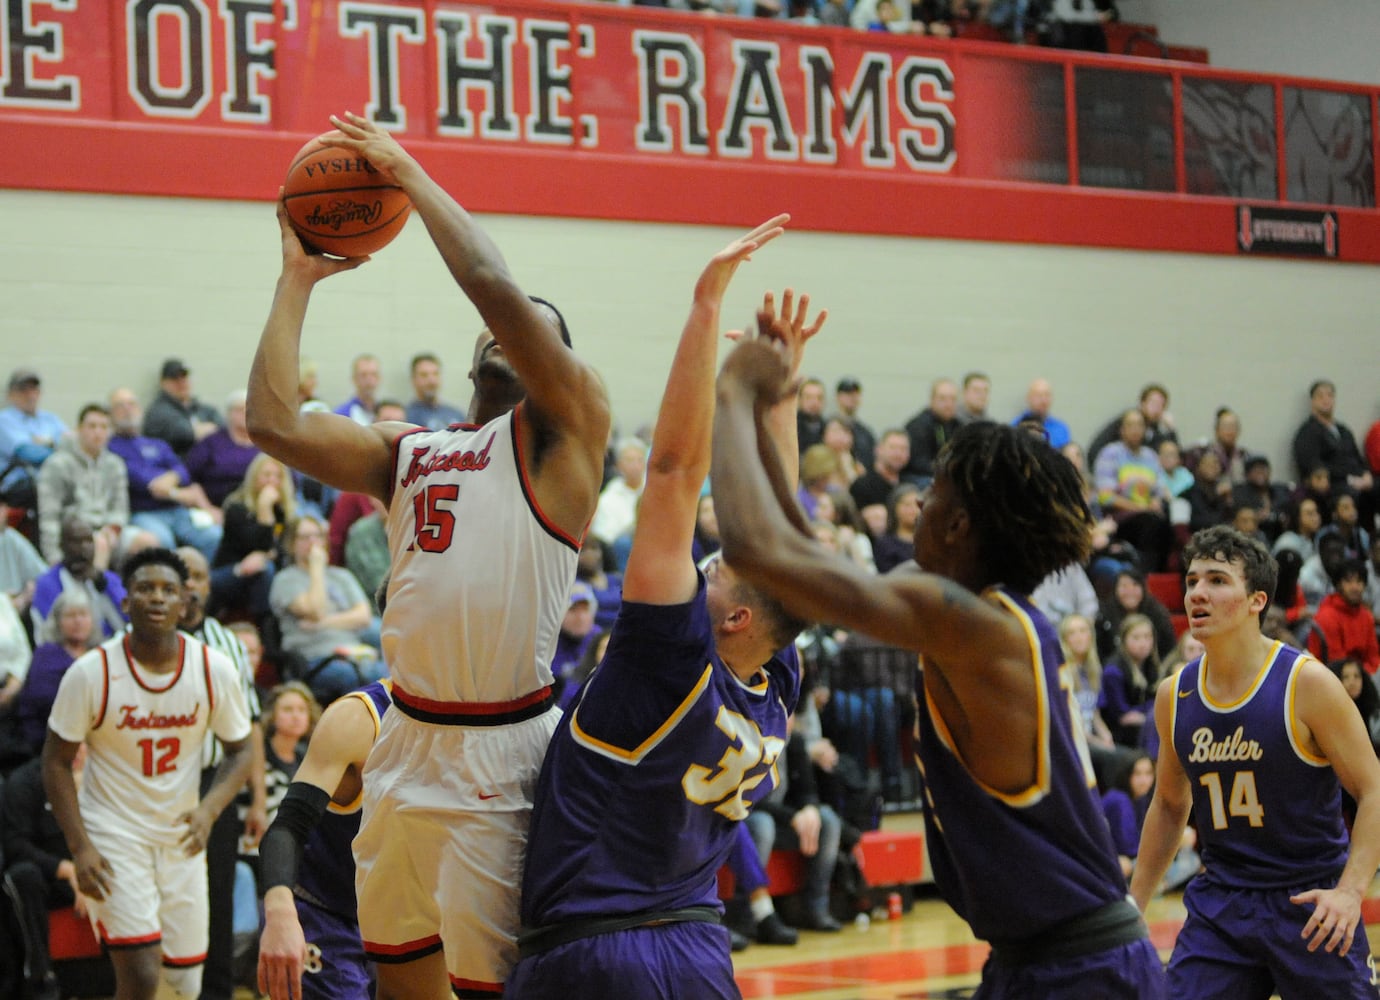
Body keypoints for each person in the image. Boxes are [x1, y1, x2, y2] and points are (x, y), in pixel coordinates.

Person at [247, 111, 610, 999]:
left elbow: (490, 284)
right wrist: (297, 279)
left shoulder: (570, 442)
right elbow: (273, 424)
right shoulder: (411, 450)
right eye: (500, 329)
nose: (507, 330)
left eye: (531, 326)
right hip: (405, 742)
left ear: (554, 361)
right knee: (401, 983)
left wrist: (405, 173)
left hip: (503, 753)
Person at [711, 332, 1164, 996]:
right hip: (1040, 960)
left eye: (930, 499)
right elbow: (797, 553)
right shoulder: (999, 621)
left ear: (958, 527)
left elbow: (759, 550)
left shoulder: (970, 623)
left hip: (1078, 969)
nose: (917, 509)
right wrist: (778, 404)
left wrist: (731, 387)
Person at [506, 219, 816, 998]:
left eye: (712, 570)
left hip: (598, 955)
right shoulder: (778, 679)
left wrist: (705, 310)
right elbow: (779, 538)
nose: (700, 568)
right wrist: (778, 393)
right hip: (698, 949)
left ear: (736, 617)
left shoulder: (670, 657)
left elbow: (674, 472)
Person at [1131, 525, 1380, 998]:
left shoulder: (1307, 685)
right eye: (1192, 581)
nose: (1198, 593)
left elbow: (1374, 791)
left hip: (1310, 900)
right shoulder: (1175, 695)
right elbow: (1167, 805)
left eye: (1218, 580)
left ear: (1257, 601)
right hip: (1222, 903)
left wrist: (1350, 891)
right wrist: (1135, 904)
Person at [41, 548, 253, 1000]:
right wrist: (79, 846)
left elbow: (242, 748)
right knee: (139, 974)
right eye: (145, 588)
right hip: (114, 832)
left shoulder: (214, 668)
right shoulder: (90, 673)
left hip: (181, 834)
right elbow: (55, 762)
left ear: (185, 602)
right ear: (125, 601)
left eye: (168, 590)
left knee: (183, 984)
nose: (157, 598)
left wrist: (210, 810)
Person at [256, 679, 393, 1000]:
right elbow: (285, 827)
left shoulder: (482, 725)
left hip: (400, 922)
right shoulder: (361, 718)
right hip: (322, 909)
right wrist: (280, 912)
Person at [177, 545, 267, 1000]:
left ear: (209, 587)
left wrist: (256, 800)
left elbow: (250, 726)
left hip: (218, 777)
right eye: (182, 576)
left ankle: (216, 992)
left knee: (217, 893)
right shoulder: (145, 640)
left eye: (198, 577)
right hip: (160, 777)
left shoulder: (229, 643)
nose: (190, 586)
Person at [268, 516, 383, 706]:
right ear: (291, 543)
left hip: (353, 651)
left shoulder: (341, 576)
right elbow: (316, 610)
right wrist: (316, 568)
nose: (313, 543)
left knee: (387, 673)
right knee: (351, 675)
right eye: (305, 537)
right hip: (314, 658)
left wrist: (323, 624)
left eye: (317, 536)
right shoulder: (286, 580)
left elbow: (363, 617)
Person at [2, 746, 86, 1000]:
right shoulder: (25, 782)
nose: (81, 751)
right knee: (23, 877)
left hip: (93, 872)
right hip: (47, 879)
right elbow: (15, 845)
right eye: (75, 743)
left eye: (86, 743)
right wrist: (66, 869)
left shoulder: (106, 780)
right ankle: (40, 980)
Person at [108, 387, 224, 563]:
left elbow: (183, 471)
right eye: (120, 406)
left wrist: (171, 481)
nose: (127, 409)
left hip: (177, 510)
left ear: (140, 408)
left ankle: (198, 586)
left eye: (131, 404)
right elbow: (144, 481)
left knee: (213, 536)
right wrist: (176, 489)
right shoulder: (112, 448)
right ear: (111, 415)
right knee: (163, 543)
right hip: (144, 512)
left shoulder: (157, 444)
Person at [35, 403, 129, 565]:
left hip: (108, 529)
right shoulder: (57, 464)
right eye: (92, 426)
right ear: (78, 429)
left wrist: (114, 527)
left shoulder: (115, 464)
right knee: (99, 544)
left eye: (103, 427)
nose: (98, 432)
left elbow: (120, 507)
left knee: (147, 541)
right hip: (74, 534)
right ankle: (98, 589)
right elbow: (49, 516)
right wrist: (53, 556)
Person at [211, 454, 293, 624]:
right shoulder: (236, 508)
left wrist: (265, 555)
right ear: (254, 478)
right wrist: (264, 509)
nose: (272, 481)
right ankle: (265, 628)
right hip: (230, 572)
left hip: (258, 572)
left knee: (266, 568)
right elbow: (258, 545)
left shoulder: (282, 512)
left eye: (277, 476)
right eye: (266, 475)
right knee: (264, 569)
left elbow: (280, 551)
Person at [12, 590, 96, 756]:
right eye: (70, 615)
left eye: (83, 614)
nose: (78, 621)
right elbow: (43, 701)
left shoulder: (100, 654)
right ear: (58, 622)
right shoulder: (46, 654)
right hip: (47, 743)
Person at [29, 518, 126, 643]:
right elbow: (51, 632)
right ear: (62, 546)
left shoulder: (108, 580)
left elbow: (130, 618)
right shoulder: (46, 584)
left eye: (88, 541)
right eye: (76, 542)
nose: (84, 547)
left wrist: (104, 585)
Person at [183, 390, 262, 509]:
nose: (245, 413)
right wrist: (208, 509)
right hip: (217, 507)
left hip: (260, 505)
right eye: (239, 410)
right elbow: (190, 477)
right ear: (229, 414)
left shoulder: (266, 443)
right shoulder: (212, 442)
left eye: (250, 409)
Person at [0, 368, 67, 505]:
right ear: (11, 394)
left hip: (54, 479)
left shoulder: (50, 419)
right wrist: (56, 446)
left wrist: (49, 444)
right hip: (20, 484)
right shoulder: (5, 420)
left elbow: (74, 444)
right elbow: (28, 453)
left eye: (34, 389)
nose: (30, 395)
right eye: (23, 390)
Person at [1307, 558, 1380, 673]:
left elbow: (1374, 658)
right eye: (1349, 581)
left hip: (1362, 677)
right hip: (1330, 678)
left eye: (1359, 582)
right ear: (1338, 585)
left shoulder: (1366, 616)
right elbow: (1337, 666)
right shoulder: (1327, 617)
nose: (1355, 587)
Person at [143, 359, 223, 458]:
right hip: (175, 468)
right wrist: (197, 431)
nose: (181, 382)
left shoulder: (202, 408)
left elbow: (224, 429)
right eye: (174, 378)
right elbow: (184, 433)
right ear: (163, 383)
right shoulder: (158, 411)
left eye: (184, 377)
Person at [902, 377, 960, 485]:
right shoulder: (918, 426)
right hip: (919, 477)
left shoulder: (958, 425)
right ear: (932, 400)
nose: (948, 404)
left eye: (953, 399)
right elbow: (917, 463)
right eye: (942, 398)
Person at [404, 352, 466, 431]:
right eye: (424, 375)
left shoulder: (457, 414)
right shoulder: (407, 416)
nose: (431, 381)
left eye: (435, 374)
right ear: (413, 380)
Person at [1012, 377, 1071, 449]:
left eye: (1047, 395)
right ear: (1028, 398)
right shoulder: (1015, 426)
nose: (1043, 400)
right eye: (1038, 396)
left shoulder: (1061, 428)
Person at [333, 355, 382, 427]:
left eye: (374, 374)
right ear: (354, 379)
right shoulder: (342, 414)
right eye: (363, 375)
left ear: (379, 378)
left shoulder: (385, 411)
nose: (369, 380)